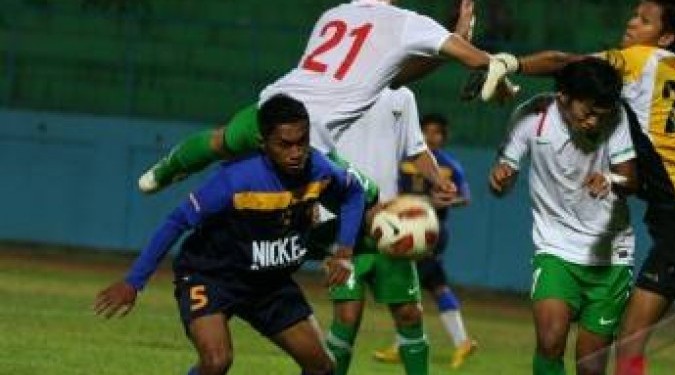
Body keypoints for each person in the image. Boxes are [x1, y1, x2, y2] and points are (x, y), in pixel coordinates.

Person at [479, 1, 675, 373]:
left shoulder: (639, 58)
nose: (631, 23)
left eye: (644, 21)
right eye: (634, 15)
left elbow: (568, 64)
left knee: (630, 340)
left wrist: (510, 64)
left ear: (664, 37)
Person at [93, 95, 365, 375]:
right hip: (211, 275)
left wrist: (344, 252)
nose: (296, 152)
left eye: (302, 141)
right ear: (263, 143)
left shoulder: (318, 168)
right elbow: (176, 221)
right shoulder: (236, 179)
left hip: (270, 284)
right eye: (285, 144)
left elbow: (353, 192)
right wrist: (134, 282)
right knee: (216, 361)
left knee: (322, 368)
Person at [137, 0, 518, 194]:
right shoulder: (407, 22)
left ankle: (164, 171)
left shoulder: (333, 15)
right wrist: (486, 60)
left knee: (221, 141)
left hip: (273, 104)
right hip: (310, 134)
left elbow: (389, 76)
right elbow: (476, 60)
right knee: (363, 199)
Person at [489, 58, 637, 375]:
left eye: (602, 114)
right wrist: (501, 178)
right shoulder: (531, 118)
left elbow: (631, 179)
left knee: (590, 367)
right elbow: (505, 176)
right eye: (588, 112)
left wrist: (612, 180)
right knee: (550, 339)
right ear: (563, 98)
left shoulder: (617, 117)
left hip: (611, 254)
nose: (594, 122)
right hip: (555, 249)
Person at [307, 87, 457, 375]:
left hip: (390, 229)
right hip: (342, 226)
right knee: (347, 317)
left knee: (410, 314)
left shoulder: (402, 95)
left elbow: (416, 148)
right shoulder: (332, 87)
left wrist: (437, 179)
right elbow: (311, 150)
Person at [372, 113, 476, 369]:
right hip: (406, 231)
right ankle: (459, 341)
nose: (431, 137)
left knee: (410, 285)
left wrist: (449, 200)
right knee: (432, 285)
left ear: (444, 137)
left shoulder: (449, 166)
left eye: (437, 132)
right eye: (426, 131)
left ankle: (407, 343)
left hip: (429, 233)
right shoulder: (404, 161)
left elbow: (465, 197)